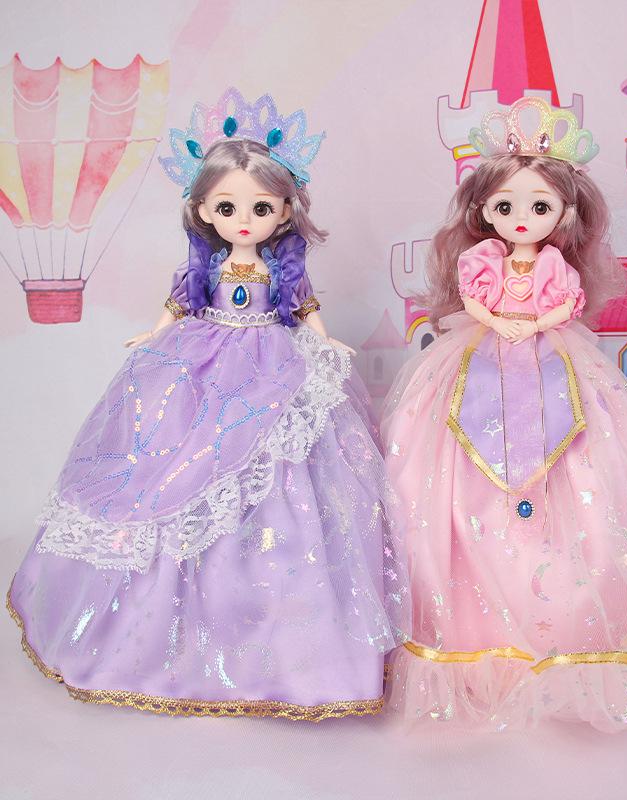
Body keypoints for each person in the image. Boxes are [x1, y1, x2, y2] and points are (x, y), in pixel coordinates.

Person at [7, 88, 409, 721]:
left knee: (285, 472)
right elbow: (178, 306)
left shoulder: (282, 270)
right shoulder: (207, 268)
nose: (244, 220)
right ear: (202, 211)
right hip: (202, 362)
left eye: (260, 207)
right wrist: (152, 337)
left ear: (285, 211)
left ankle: (282, 617)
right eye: (227, 207)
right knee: (178, 463)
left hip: (275, 363)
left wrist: (325, 342)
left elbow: (305, 308)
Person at [381, 96, 627, 733]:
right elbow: (473, 300)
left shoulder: (554, 266)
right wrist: (498, 321)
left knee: (589, 461)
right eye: (505, 206)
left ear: (564, 215)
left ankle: (572, 614)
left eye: (539, 207)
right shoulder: (483, 262)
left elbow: (564, 306)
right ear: (483, 212)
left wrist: (535, 322)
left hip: (552, 356)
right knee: (446, 462)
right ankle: (466, 619)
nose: (521, 219)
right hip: (478, 354)